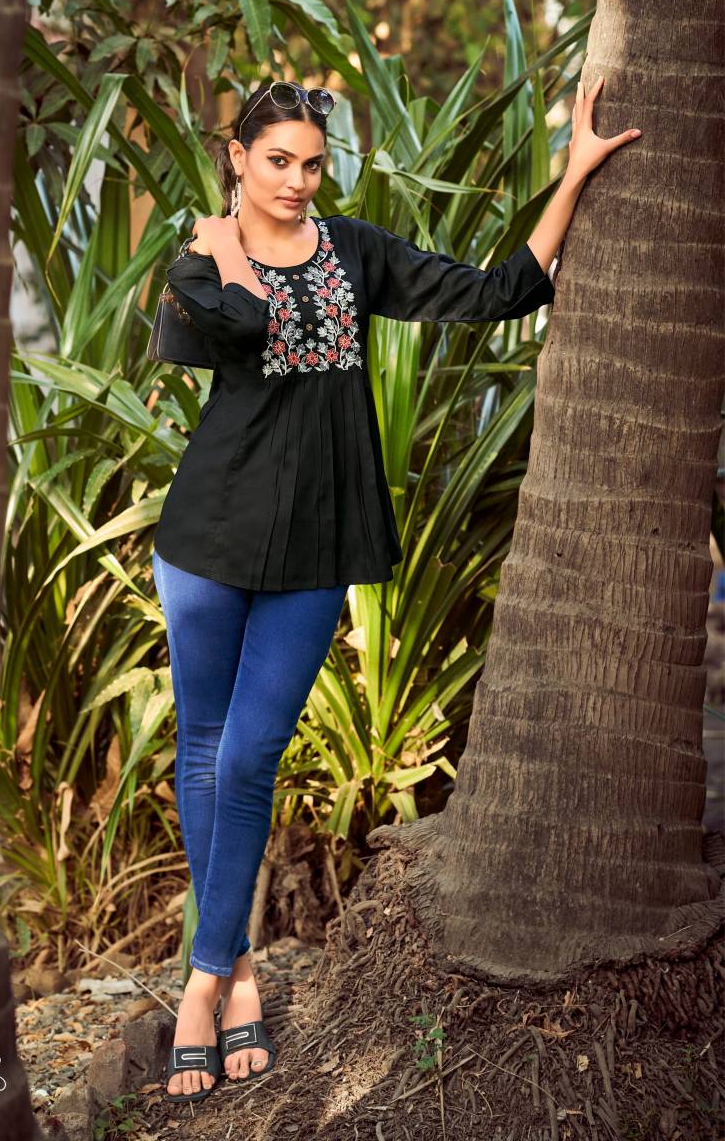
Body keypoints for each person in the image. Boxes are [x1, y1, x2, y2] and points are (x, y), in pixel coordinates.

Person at [152, 77, 642, 1103]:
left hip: (319, 543)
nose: (296, 181)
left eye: (310, 164)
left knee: (247, 755)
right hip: (208, 539)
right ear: (236, 157)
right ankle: (230, 979)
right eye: (275, 160)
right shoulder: (197, 266)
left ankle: (203, 977)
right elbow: (242, 326)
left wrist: (572, 175)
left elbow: (498, 294)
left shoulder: (353, 251)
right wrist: (225, 244)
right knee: (203, 751)